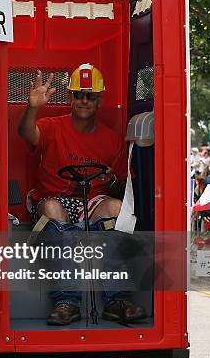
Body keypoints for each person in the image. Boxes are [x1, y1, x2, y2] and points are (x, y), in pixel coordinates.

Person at [18, 64, 146, 325]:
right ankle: (67, 301)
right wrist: (33, 106)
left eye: (91, 96)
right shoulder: (52, 126)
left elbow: (122, 185)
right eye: (78, 94)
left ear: (99, 100)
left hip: (92, 202)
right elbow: (26, 133)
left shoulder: (111, 139)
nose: (84, 100)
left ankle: (117, 300)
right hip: (54, 199)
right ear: (69, 98)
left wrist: (110, 181)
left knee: (117, 208)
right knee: (53, 209)